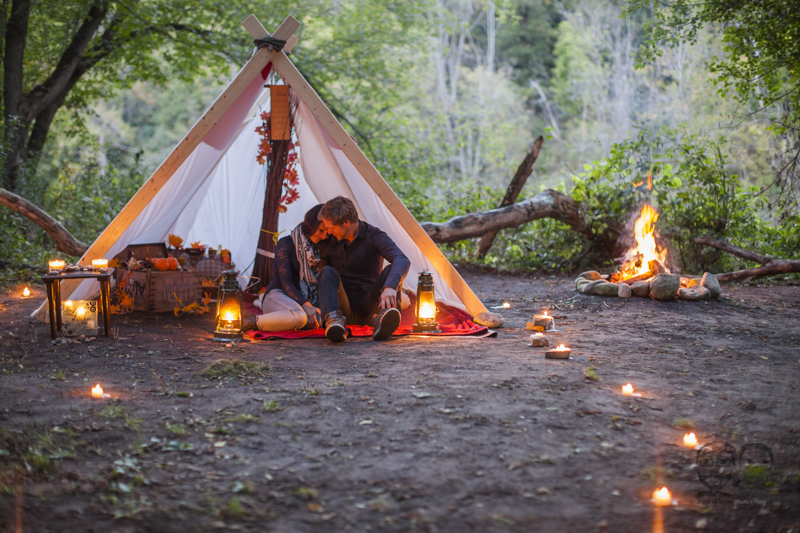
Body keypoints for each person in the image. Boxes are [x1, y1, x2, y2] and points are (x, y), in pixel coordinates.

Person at [317, 196, 410, 342]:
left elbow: (402, 259)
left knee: (391, 270)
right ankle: (334, 323)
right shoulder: (329, 239)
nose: (329, 232)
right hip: (342, 308)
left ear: (346, 223)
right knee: (327, 271)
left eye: (332, 228)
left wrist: (390, 286)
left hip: (370, 304)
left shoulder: (374, 235)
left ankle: (383, 321)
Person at [244, 204, 343, 332]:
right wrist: (306, 305)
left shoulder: (323, 250)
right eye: (321, 230)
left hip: (304, 302)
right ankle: (248, 322)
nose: (324, 236)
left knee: (319, 319)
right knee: (299, 317)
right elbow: (286, 282)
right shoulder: (286, 243)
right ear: (312, 223)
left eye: (327, 233)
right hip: (278, 295)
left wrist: (312, 307)